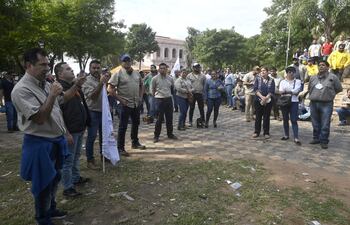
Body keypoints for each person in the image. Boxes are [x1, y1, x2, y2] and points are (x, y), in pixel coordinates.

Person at [11, 48, 68, 225]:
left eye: (48, 63)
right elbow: (41, 117)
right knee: (43, 184)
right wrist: (52, 95)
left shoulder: (44, 83)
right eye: (42, 64)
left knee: (55, 177)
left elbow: (57, 107)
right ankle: (42, 218)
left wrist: (74, 86)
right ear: (29, 66)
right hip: (39, 143)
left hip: (55, 140)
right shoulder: (20, 90)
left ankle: (51, 209)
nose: (47, 67)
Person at [54, 62, 90, 197]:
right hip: (70, 130)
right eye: (68, 69)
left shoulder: (71, 86)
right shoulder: (59, 88)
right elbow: (59, 112)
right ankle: (67, 187)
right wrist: (66, 132)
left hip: (78, 127)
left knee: (75, 156)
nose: (72, 70)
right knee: (68, 160)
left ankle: (75, 178)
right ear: (60, 74)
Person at [108, 54, 146, 156]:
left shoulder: (136, 73)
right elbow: (110, 89)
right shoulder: (118, 73)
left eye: (129, 60)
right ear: (121, 62)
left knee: (136, 123)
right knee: (123, 126)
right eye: (125, 60)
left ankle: (135, 142)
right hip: (124, 104)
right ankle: (120, 148)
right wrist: (120, 100)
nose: (127, 62)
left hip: (135, 103)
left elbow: (142, 85)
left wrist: (141, 97)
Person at [82, 60, 110, 169]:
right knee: (92, 136)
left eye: (98, 68)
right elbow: (92, 96)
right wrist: (101, 83)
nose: (96, 70)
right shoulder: (86, 81)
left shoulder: (102, 78)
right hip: (92, 111)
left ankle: (104, 156)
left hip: (104, 112)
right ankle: (90, 160)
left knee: (105, 136)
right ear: (89, 69)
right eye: (94, 68)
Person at [308, 60, 343, 149]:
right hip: (313, 103)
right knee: (315, 123)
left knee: (325, 123)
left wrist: (330, 94)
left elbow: (339, 89)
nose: (321, 66)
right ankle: (316, 138)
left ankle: (324, 141)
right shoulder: (312, 78)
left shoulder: (333, 77)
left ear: (328, 67)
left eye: (323, 65)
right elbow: (309, 89)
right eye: (319, 65)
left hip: (326, 104)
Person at [151, 63, 177, 143]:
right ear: (158, 69)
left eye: (164, 68)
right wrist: (155, 98)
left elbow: (172, 89)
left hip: (168, 99)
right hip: (159, 100)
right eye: (161, 68)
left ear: (167, 69)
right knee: (159, 119)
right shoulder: (155, 78)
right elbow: (152, 89)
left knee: (169, 118)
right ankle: (156, 136)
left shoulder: (170, 78)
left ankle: (170, 134)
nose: (162, 69)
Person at [279, 67, 302, 145]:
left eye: (292, 72)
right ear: (287, 73)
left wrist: (287, 91)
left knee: (294, 120)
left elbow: (296, 91)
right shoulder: (283, 81)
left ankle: (296, 137)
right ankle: (286, 135)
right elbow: (281, 91)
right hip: (284, 102)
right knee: (285, 119)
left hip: (294, 102)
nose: (291, 73)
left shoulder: (298, 81)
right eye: (289, 72)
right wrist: (291, 92)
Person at [252, 66, 275, 139]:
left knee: (266, 117)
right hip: (258, 100)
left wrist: (266, 98)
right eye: (261, 71)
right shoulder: (257, 79)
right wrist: (262, 97)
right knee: (258, 116)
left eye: (264, 70)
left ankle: (266, 132)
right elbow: (255, 89)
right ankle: (256, 132)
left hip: (268, 101)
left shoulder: (271, 80)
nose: (262, 72)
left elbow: (271, 91)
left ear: (267, 72)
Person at [187, 63, 206, 127]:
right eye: (195, 67)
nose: (196, 68)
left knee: (201, 108)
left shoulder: (203, 76)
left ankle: (203, 120)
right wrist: (189, 94)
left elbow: (204, 85)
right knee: (191, 108)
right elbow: (187, 85)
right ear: (193, 68)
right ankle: (190, 121)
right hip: (192, 94)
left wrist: (204, 94)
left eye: (198, 67)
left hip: (200, 94)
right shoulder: (189, 76)